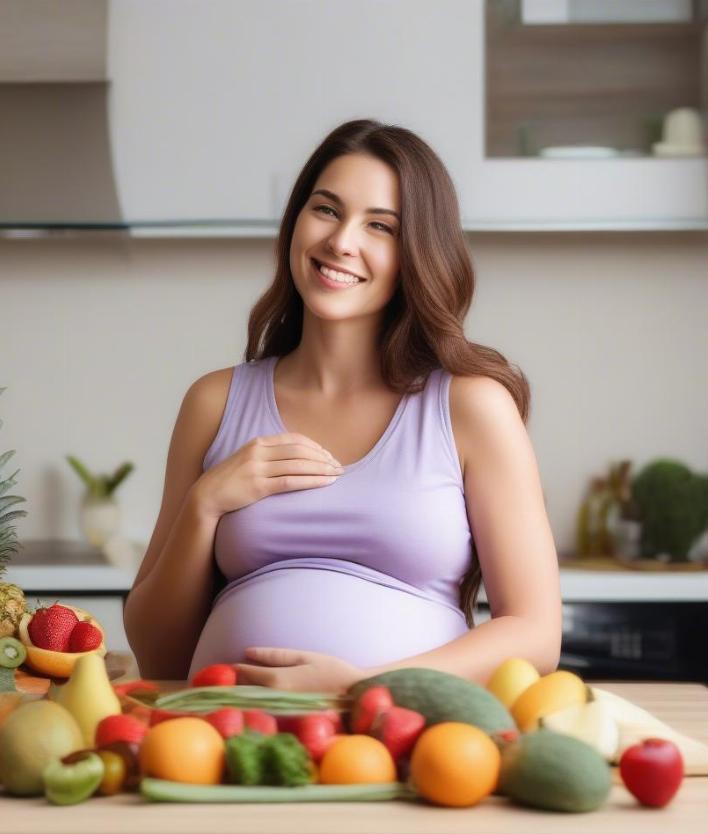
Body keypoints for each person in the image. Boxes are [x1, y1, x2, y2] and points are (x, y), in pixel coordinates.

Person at [124, 119, 562, 692]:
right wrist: (204, 506)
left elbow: (535, 633)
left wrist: (359, 687)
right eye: (327, 210)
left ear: (416, 254)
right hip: (229, 749)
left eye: (380, 226)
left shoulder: (471, 407)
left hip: (402, 749)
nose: (341, 242)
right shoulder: (214, 402)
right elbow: (158, 659)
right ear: (294, 224)